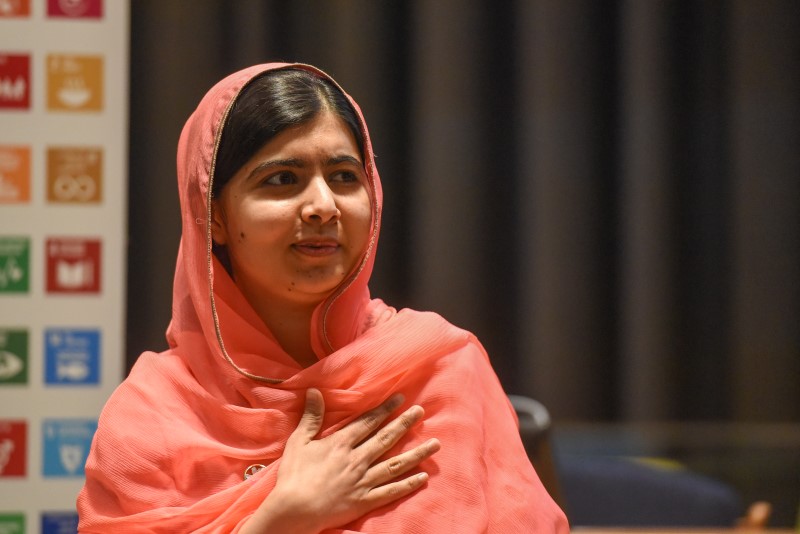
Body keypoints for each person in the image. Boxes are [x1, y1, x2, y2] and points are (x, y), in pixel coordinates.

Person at [77, 62, 569, 533]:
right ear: (215, 217)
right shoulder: (152, 415)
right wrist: (282, 518)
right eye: (282, 179)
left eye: (344, 177)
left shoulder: (436, 370)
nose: (322, 205)